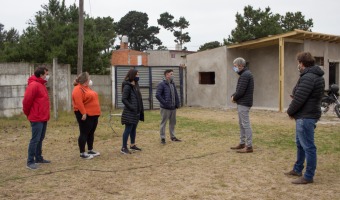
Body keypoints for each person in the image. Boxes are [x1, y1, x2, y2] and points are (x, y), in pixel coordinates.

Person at [285, 52, 325, 184]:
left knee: (308, 146)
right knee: (300, 144)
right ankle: (297, 169)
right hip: (306, 115)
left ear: (302, 63)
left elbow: (300, 99)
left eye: (298, 62)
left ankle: (308, 176)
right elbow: (301, 93)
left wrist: (290, 111)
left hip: (305, 116)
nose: (298, 65)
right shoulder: (311, 76)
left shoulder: (309, 77)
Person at [23, 66, 51, 170]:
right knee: (35, 139)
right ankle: (30, 161)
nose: (47, 76)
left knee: (40, 138)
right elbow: (26, 101)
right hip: (36, 117)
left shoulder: (41, 85)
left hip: (43, 117)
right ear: (41, 75)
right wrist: (28, 114)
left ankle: (38, 157)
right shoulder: (34, 85)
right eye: (46, 74)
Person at [72, 72, 101, 159]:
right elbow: (79, 102)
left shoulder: (87, 88)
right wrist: (83, 113)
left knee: (91, 133)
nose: (90, 79)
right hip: (85, 114)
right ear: (85, 80)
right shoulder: (78, 89)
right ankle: (82, 153)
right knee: (84, 133)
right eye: (89, 78)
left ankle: (90, 149)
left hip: (94, 114)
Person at [230, 57, 254, 153]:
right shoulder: (245, 74)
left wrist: (234, 98)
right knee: (242, 124)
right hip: (242, 102)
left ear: (240, 66)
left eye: (235, 66)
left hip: (244, 103)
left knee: (245, 124)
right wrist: (234, 95)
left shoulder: (245, 75)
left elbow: (240, 91)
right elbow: (239, 90)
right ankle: (242, 143)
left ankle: (249, 146)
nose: (234, 68)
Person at [120, 69, 144, 154]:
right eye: (137, 75)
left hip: (136, 112)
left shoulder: (135, 85)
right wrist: (132, 107)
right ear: (132, 75)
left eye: (138, 74)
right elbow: (124, 99)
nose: (138, 76)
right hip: (129, 112)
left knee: (133, 129)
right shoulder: (127, 86)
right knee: (128, 129)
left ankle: (132, 145)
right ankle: (123, 147)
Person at [156, 69, 181, 144]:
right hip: (165, 108)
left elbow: (175, 94)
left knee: (173, 123)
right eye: (171, 74)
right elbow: (157, 95)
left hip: (173, 107)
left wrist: (177, 103)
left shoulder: (173, 83)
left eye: (172, 74)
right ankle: (162, 138)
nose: (172, 75)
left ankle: (173, 137)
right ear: (167, 75)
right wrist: (165, 103)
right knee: (164, 123)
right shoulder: (161, 84)